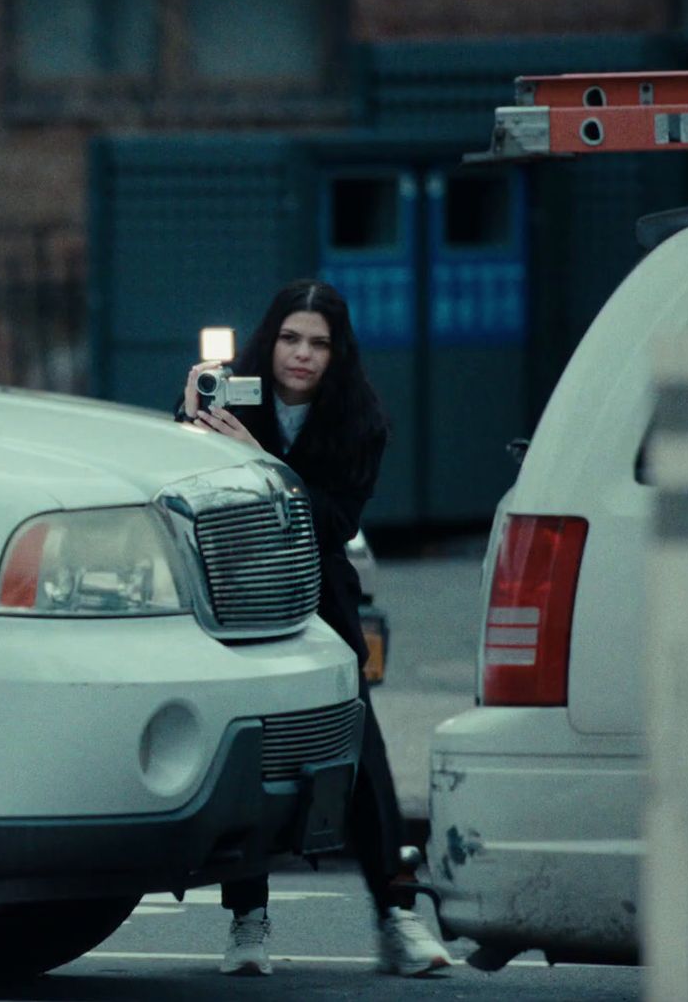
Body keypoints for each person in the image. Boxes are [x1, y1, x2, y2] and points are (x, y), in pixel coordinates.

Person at [174, 278, 451, 978]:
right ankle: (248, 921)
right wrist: (184, 420)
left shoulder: (358, 418)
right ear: (271, 340)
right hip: (237, 596)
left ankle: (396, 915)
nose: (301, 355)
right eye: (291, 338)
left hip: (320, 599)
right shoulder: (232, 396)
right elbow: (183, 484)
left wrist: (261, 461)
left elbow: (334, 522)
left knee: (359, 746)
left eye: (318, 343)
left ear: (337, 351)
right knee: (252, 750)